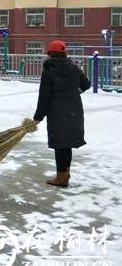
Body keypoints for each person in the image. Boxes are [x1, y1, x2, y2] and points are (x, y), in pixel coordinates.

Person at [33, 40, 90, 188]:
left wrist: (38, 117)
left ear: (50, 54)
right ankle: (65, 173)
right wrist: (74, 93)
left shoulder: (49, 71)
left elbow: (44, 97)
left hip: (57, 111)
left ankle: (61, 177)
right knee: (67, 144)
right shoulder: (73, 68)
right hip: (74, 110)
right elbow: (87, 84)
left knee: (60, 145)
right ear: (64, 53)